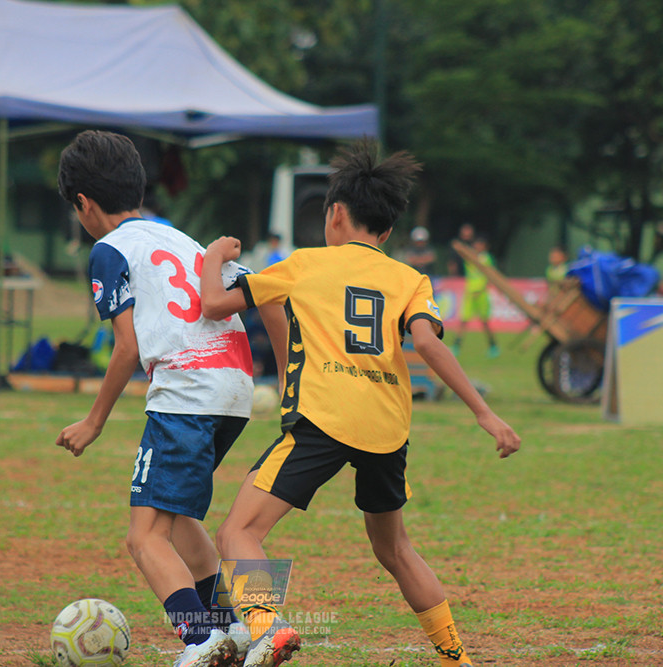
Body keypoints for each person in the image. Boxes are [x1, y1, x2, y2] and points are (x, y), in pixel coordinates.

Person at [201, 140, 521, 667]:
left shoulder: (303, 265)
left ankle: (266, 627)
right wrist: (485, 414)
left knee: (239, 530)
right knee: (394, 549)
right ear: (388, 232)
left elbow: (215, 304)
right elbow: (427, 343)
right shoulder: (411, 279)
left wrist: (216, 256)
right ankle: (455, 657)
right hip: (386, 429)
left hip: (323, 421)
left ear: (334, 215)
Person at [53, 130, 287, 667]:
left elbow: (127, 348)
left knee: (144, 537)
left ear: (84, 205)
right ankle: (232, 627)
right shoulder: (182, 239)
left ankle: (201, 642)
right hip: (235, 390)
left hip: (186, 391)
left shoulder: (109, 250)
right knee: (178, 519)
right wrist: (286, 371)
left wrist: (94, 421)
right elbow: (267, 293)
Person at [451, 236, 499, 358]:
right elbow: (462, 253)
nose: (478, 247)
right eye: (476, 245)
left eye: (480, 245)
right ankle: (456, 346)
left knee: (485, 322)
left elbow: (490, 275)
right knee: (464, 321)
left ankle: (493, 346)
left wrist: (482, 288)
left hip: (481, 293)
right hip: (470, 293)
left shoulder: (487, 258)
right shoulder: (470, 256)